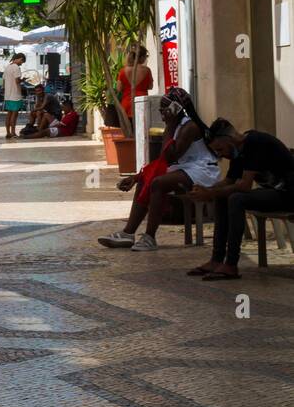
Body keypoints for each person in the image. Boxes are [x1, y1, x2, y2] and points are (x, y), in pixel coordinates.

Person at [99, 88, 219, 251]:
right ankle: (128, 233)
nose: (161, 112)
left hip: (202, 170)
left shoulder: (189, 127)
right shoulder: (176, 125)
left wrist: (169, 126)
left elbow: (169, 156)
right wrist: (137, 177)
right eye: (160, 108)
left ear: (176, 109)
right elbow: (163, 161)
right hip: (186, 168)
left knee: (158, 183)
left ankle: (150, 237)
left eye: (164, 108)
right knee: (145, 179)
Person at [186, 121, 294, 280]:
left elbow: (244, 186)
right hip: (275, 192)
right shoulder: (237, 150)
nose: (220, 155)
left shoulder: (255, 143)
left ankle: (231, 264)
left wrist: (210, 192)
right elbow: (229, 181)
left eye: (220, 149)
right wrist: (205, 189)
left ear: (229, 139)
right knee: (222, 196)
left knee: (237, 199)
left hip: (289, 194)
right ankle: (216, 260)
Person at [116, 46, 153, 126]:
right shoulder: (147, 70)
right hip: (142, 103)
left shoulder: (123, 71)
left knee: (129, 133)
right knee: (142, 130)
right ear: (142, 57)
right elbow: (150, 86)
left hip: (127, 105)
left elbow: (118, 89)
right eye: (146, 56)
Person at [2, 53, 25, 139]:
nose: (21, 63)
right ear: (19, 58)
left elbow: (3, 81)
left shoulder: (7, 67)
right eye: (22, 61)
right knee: (14, 115)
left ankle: (8, 133)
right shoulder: (16, 67)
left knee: (9, 114)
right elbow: (17, 81)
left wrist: (5, 90)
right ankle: (13, 133)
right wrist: (22, 80)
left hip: (7, 95)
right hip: (15, 95)